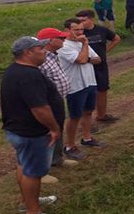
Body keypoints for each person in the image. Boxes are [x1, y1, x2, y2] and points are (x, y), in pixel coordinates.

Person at [2, 36, 63, 214]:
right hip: (32, 133)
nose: (44, 50)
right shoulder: (29, 75)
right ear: (27, 52)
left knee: (24, 165)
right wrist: (54, 128)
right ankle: (33, 210)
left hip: (19, 130)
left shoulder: (15, 70)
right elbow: (40, 109)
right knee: (33, 173)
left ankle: (27, 202)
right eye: (40, 48)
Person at [58, 18, 104, 161]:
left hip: (89, 81)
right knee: (74, 116)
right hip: (75, 85)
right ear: (67, 30)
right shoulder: (64, 46)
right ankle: (69, 145)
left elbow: (97, 59)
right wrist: (85, 46)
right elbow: (81, 60)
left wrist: (85, 56)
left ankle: (87, 137)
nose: (80, 33)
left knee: (88, 111)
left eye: (81, 30)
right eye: (76, 30)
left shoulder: (82, 44)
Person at [36, 28, 77, 182]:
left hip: (58, 100)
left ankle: (57, 159)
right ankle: (41, 170)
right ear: (49, 41)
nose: (63, 39)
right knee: (46, 134)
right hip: (45, 103)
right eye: (60, 37)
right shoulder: (40, 59)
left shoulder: (53, 55)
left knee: (58, 128)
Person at [75, 10, 121, 123]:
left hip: (100, 66)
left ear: (91, 19)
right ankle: (85, 121)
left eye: (83, 20)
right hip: (85, 66)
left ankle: (102, 115)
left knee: (102, 90)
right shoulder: (79, 33)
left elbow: (116, 39)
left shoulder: (102, 30)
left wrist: (106, 51)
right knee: (85, 92)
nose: (80, 23)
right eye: (78, 21)